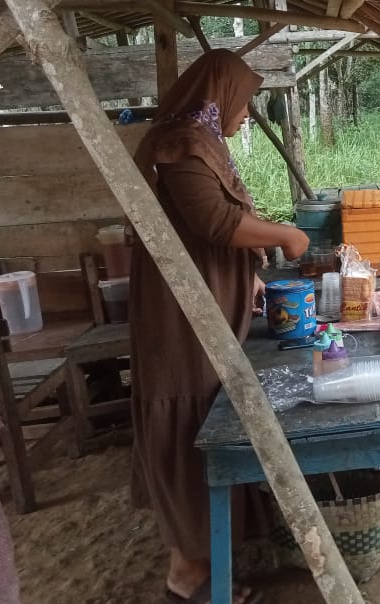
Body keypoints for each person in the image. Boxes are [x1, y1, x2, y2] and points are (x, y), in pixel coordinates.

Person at [129, 50, 309, 603]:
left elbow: (206, 230)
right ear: (220, 93)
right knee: (194, 431)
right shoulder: (181, 144)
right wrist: (283, 236)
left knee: (210, 422)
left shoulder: (201, 143)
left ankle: (206, 559)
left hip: (207, 311)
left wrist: (249, 275)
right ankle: (187, 574)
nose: (246, 110)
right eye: (244, 98)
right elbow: (215, 222)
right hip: (182, 322)